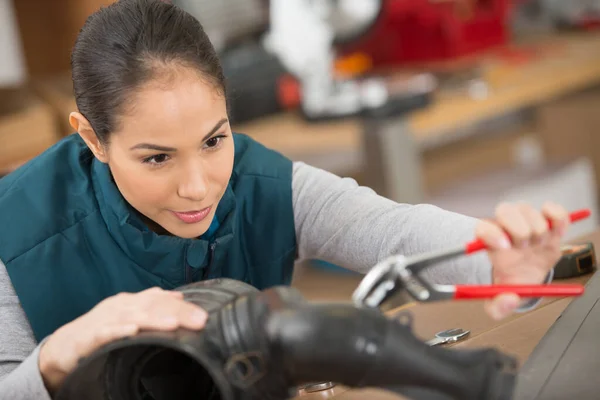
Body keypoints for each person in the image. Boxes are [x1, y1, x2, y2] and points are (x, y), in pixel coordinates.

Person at [0, 0, 571, 398]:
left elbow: (393, 231)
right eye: (157, 158)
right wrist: (59, 353)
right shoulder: (15, 235)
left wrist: (496, 262)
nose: (199, 185)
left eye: (213, 140)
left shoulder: (266, 184)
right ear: (93, 138)